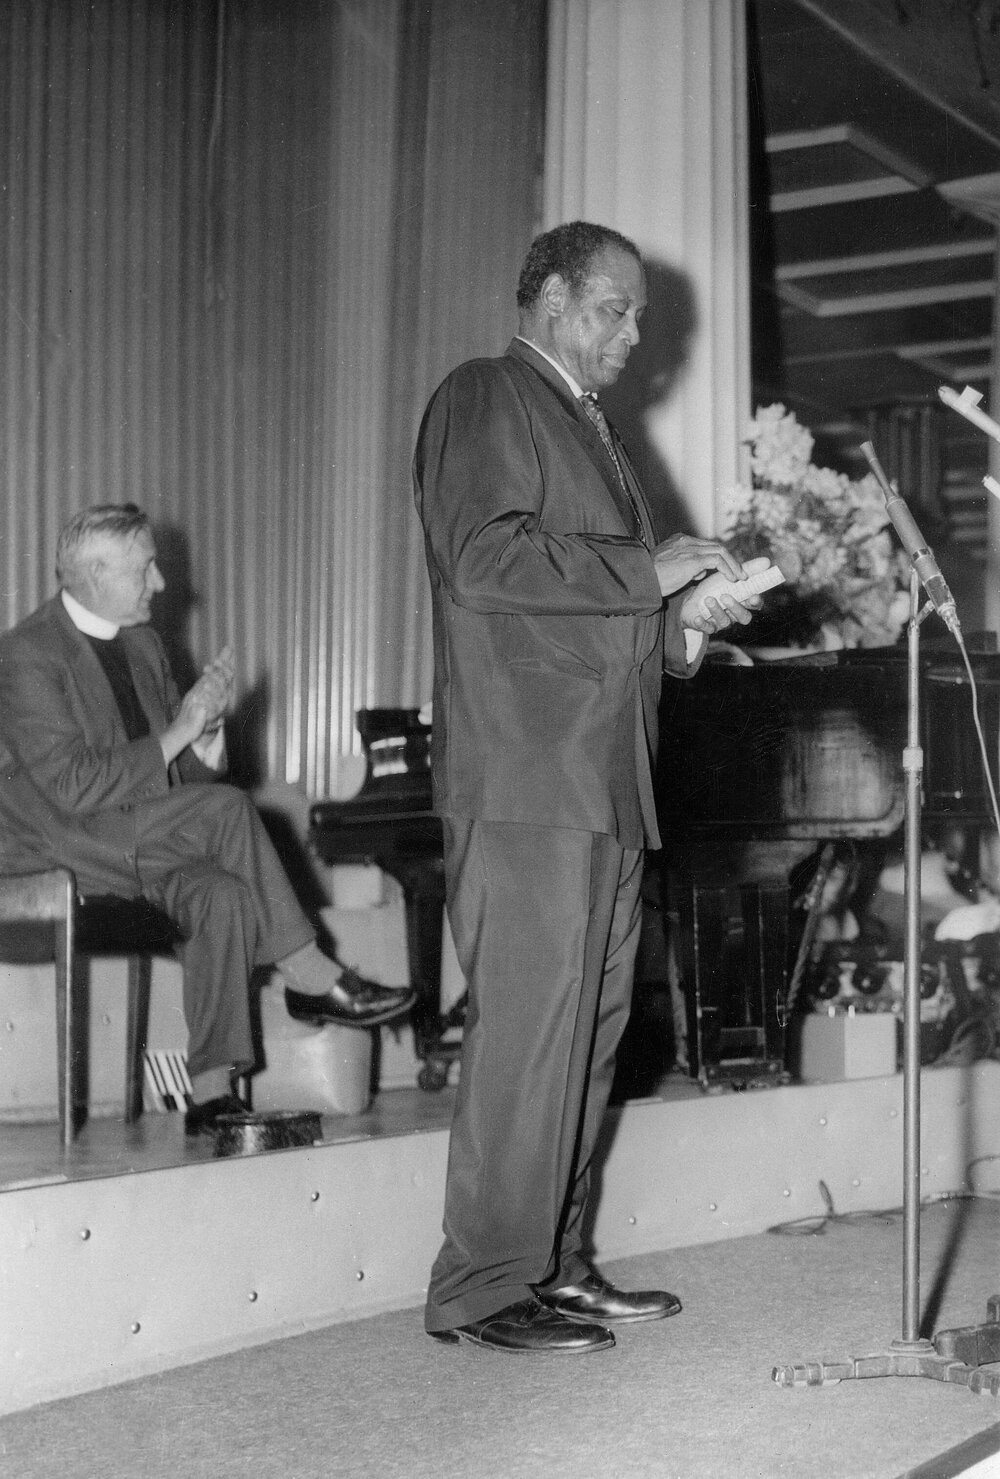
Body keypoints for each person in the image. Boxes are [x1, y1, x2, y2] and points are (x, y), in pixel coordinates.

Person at [413, 220, 760, 1354]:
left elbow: (602, 612)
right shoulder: (486, 393)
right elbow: (483, 556)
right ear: (552, 298)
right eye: (615, 309)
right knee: (531, 1032)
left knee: (587, 1033)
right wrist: (647, 569)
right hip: (528, 772)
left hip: (602, 777)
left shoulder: (592, 429)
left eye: (639, 316)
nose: (632, 333)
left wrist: (684, 622)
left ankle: (551, 1264)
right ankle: (480, 1286)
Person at [0, 504, 415, 1134]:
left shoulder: (143, 643)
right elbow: (73, 786)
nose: (161, 582)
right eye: (145, 569)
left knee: (222, 894)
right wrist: (180, 731)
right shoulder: (27, 653)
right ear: (95, 573)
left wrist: (206, 736)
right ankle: (310, 973)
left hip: (135, 837)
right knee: (228, 811)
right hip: (57, 845)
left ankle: (212, 1093)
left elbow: (182, 780)